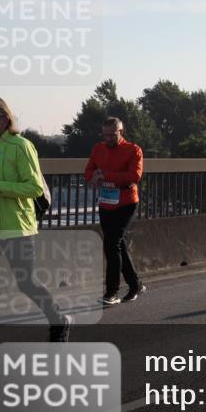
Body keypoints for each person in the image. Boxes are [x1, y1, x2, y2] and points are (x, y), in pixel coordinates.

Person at [0, 97, 71, 376]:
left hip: (15, 227)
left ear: (4, 118)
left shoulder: (22, 146)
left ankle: (59, 321)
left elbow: (33, 188)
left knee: (27, 283)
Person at [84, 118, 145, 305]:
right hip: (106, 203)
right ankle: (135, 285)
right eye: (105, 135)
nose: (108, 138)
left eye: (112, 135)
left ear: (121, 132)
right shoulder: (98, 149)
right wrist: (94, 176)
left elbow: (134, 176)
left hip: (126, 203)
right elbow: (88, 172)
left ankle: (112, 292)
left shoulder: (133, 150)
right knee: (117, 244)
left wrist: (105, 176)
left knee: (111, 244)